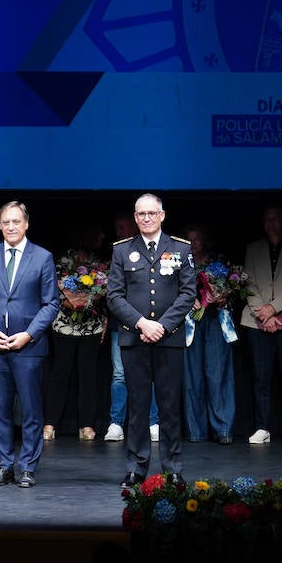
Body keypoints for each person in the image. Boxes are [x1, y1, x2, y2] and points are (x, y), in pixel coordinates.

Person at [107, 193, 196, 486]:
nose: (146, 218)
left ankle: (173, 468)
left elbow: (188, 293)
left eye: (151, 213)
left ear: (162, 215)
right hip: (135, 338)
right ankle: (136, 466)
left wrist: (163, 326)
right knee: (138, 405)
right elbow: (114, 296)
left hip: (169, 340)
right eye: (141, 214)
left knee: (170, 406)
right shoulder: (122, 250)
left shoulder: (180, 248)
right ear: (135, 218)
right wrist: (142, 323)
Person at [0, 200, 60, 488]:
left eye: (16, 221)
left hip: (28, 346)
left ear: (26, 224)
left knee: (31, 409)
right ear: (0, 226)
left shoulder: (42, 257)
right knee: (0, 408)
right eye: (6, 222)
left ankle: (28, 467)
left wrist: (29, 334)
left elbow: (51, 303)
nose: (11, 226)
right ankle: (5, 465)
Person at [240, 205, 282, 445]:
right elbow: (248, 284)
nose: (271, 223)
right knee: (261, 378)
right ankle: (263, 427)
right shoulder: (253, 248)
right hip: (256, 321)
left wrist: (273, 308)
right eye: (267, 219)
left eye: (275, 219)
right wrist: (264, 314)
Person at [42, 235, 109, 443]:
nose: (100, 236)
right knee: (60, 373)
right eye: (95, 232)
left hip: (91, 324)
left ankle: (86, 424)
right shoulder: (65, 258)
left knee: (88, 375)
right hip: (64, 323)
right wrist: (71, 301)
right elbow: (53, 287)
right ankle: (50, 423)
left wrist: (91, 306)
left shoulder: (100, 261)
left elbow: (105, 291)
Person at [181, 223, 238, 445]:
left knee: (217, 374)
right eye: (189, 239)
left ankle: (223, 429)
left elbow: (234, 288)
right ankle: (196, 431)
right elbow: (166, 288)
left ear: (205, 240)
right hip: (190, 322)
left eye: (197, 238)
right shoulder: (178, 261)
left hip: (216, 320)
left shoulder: (218, 260)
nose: (193, 243)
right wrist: (186, 300)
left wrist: (223, 296)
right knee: (192, 377)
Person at [104, 211, 158, 443]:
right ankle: (116, 423)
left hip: (152, 324)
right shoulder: (119, 251)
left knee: (152, 373)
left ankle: (153, 422)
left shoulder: (153, 250)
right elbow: (114, 293)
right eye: (116, 227)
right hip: (123, 324)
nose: (119, 231)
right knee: (119, 374)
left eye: (122, 226)